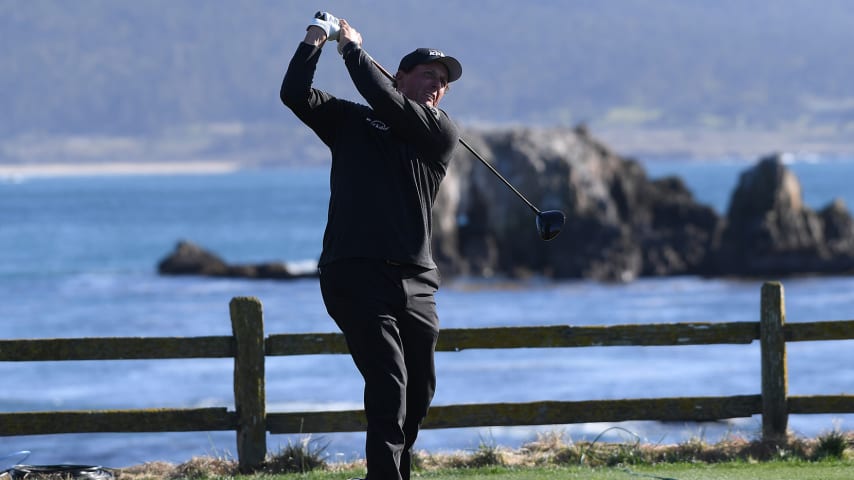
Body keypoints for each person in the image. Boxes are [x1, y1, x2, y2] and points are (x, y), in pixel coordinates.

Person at [279, 11, 463, 480]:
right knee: (388, 382)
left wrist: (353, 50)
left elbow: (384, 99)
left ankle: (394, 471)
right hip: (355, 273)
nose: (436, 86)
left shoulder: (439, 132)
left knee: (419, 391)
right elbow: (294, 94)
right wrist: (316, 39)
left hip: (416, 279)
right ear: (399, 77)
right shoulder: (351, 121)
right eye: (428, 75)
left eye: (443, 81)